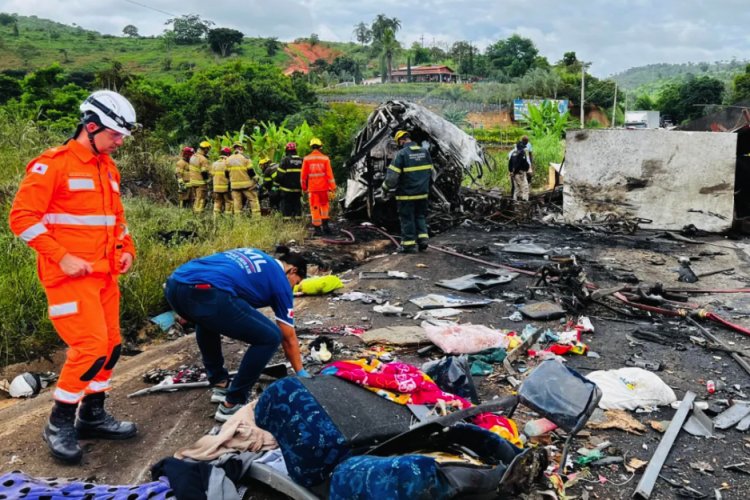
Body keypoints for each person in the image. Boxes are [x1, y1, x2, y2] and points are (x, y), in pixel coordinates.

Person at [8, 90, 139, 463]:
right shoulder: (53, 165)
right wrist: (61, 257)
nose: (119, 142)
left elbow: (116, 219)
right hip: (68, 278)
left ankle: (92, 416)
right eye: (115, 134)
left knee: (111, 346)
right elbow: (21, 219)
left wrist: (126, 248)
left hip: (104, 275)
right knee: (90, 348)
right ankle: (58, 422)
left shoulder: (107, 168)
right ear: (91, 126)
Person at [164, 246, 311, 422]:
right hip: (207, 291)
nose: (293, 287)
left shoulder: (256, 253)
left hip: (175, 284)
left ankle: (220, 384)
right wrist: (301, 373)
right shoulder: (280, 281)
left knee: (207, 319)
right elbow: (288, 337)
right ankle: (232, 404)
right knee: (270, 337)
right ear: (292, 270)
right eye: (297, 281)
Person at [383, 130, 434, 254]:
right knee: (420, 216)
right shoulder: (425, 152)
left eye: (398, 143)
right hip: (422, 193)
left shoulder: (401, 154)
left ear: (401, 140)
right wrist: (426, 187)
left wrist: (385, 188)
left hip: (406, 195)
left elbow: (392, 177)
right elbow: (432, 174)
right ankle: (423, 241)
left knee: (407, 219)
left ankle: (408, 245)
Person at [301, 138, 336, 235]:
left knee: (315, 207)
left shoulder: (307, 159)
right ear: (320, 146)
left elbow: (303, 176)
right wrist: (333, 187)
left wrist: (304, 187)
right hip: (324, 188)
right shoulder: (325, 158)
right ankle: (326, 227)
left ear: (311, 147)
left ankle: (317, 230)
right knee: (324, 206)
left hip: (313, 189)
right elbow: (330, 175)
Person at [227, 142, 260, 216]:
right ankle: (256, 218)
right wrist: (255, 178)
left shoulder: (228, 159)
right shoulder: (245, 157)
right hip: (246, 185)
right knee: (253, 199)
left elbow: (226, 173)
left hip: (234, 185)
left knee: (237, 202)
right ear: (241, 148)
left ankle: (238, 220)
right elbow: (250, 171)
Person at [276, 142, 303, 220]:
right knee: (297, 203)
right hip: (298, 188)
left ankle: (287, 221)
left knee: (286, 204)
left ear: (286, 150)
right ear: (295, 150)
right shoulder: (301, 160)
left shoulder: (285, 160)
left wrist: (276, 186)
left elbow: (279, 175)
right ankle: (298, 219)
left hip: (286, 189)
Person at [189, 141, 212, 213]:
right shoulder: (203, 159)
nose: (208, 151)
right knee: (201, 198)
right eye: (208, 149)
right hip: (200, 183)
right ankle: (198, 214)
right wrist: (208, 181)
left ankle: (194, 211)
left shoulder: (193, 156)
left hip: (193, 181)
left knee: (196, 198)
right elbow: (204, 171)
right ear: (205, 149)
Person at [211, 147, 232, 215]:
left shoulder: (214, 163)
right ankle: (228, 218)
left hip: (216, 187)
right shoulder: (228, 163)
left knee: (217, 202)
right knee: (228, 202)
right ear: (228, 154)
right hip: (226, 187)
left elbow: (212, 175)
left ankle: (215, 218)